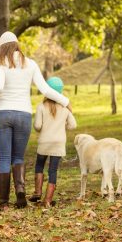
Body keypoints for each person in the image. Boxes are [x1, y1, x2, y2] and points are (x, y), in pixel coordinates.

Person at [0, 31, 71, 209]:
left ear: (2, 46)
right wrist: (65, 101)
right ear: (17, 44)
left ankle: (4, 202)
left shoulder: (0, 61)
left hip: (3, 113)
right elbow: (45, 89)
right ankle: (20, 190)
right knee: (18, 157)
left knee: (4, 158)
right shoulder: (31, 64)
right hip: (24, 115)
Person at [30, 77, 77, 207]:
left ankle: (37, 192)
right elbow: (73, 125)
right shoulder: (65, 108)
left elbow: (38, 126)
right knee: (53, 171)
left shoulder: (41, 106)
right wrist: (62, 127)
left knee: (39, 165)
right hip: (58, 143)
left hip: (44, 142)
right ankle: (48, 200)